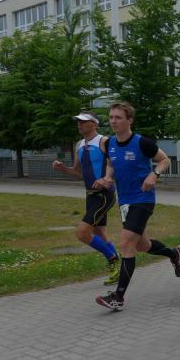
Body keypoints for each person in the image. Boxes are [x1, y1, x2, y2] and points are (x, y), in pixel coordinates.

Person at [94, 102, 180, 311]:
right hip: (125, 201)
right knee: (142, 245)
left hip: (143, 199)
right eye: (111, 117)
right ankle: (174, 254)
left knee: (126, 243)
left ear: (129, 120)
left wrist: (154, 174)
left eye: (118, 117)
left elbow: (164, 160)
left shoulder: (142, 142)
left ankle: (118, 296)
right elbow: (111, 163)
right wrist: (107, 177)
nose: (113, 121)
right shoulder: (109, 143)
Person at [52, 111, 120, 285]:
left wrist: (106, 179)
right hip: (90, 196)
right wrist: (63, 169)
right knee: (100, 233)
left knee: (82, 233)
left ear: (95, 124)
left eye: (83, 121)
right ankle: (119, 267)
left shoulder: (104, 141)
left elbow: (116, 164)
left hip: (104, 195)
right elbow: (78, 173)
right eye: (78, 122)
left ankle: (112, 259)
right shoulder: (80, 144)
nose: (79, 124)